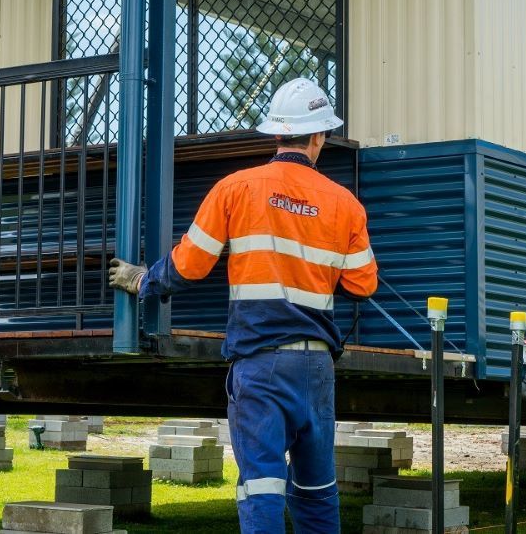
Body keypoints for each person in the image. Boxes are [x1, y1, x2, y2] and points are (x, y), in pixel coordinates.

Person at [110, 78, 378, 533]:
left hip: (260, 364)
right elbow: (363, 284)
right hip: (316, 369)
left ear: (277, 134)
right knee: (317, 490)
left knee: (262, 486)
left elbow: (191, 263)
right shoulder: (345, 204)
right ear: (319, 136)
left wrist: (142, 279)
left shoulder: (236, 188)